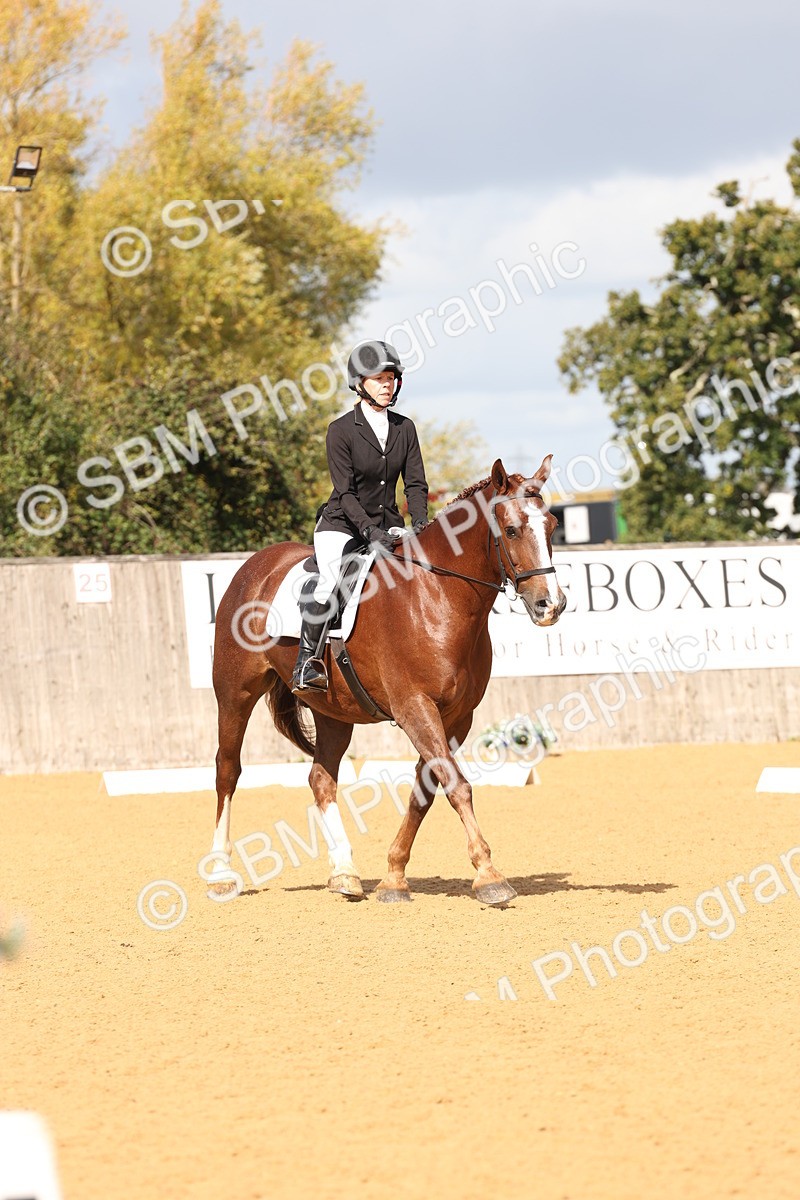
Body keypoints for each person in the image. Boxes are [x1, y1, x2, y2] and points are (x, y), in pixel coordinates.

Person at [291, 339, 430, 692]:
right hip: (343, 524)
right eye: (379, 379)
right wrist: (368, 530)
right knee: (331, 579)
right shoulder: (340, 430)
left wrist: (421, 524)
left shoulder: (405, 428)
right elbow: (345, 491)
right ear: (359, 384)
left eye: (391, 378)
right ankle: (307, 662)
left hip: (389, 526)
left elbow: (415, 484)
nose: (387, 385)